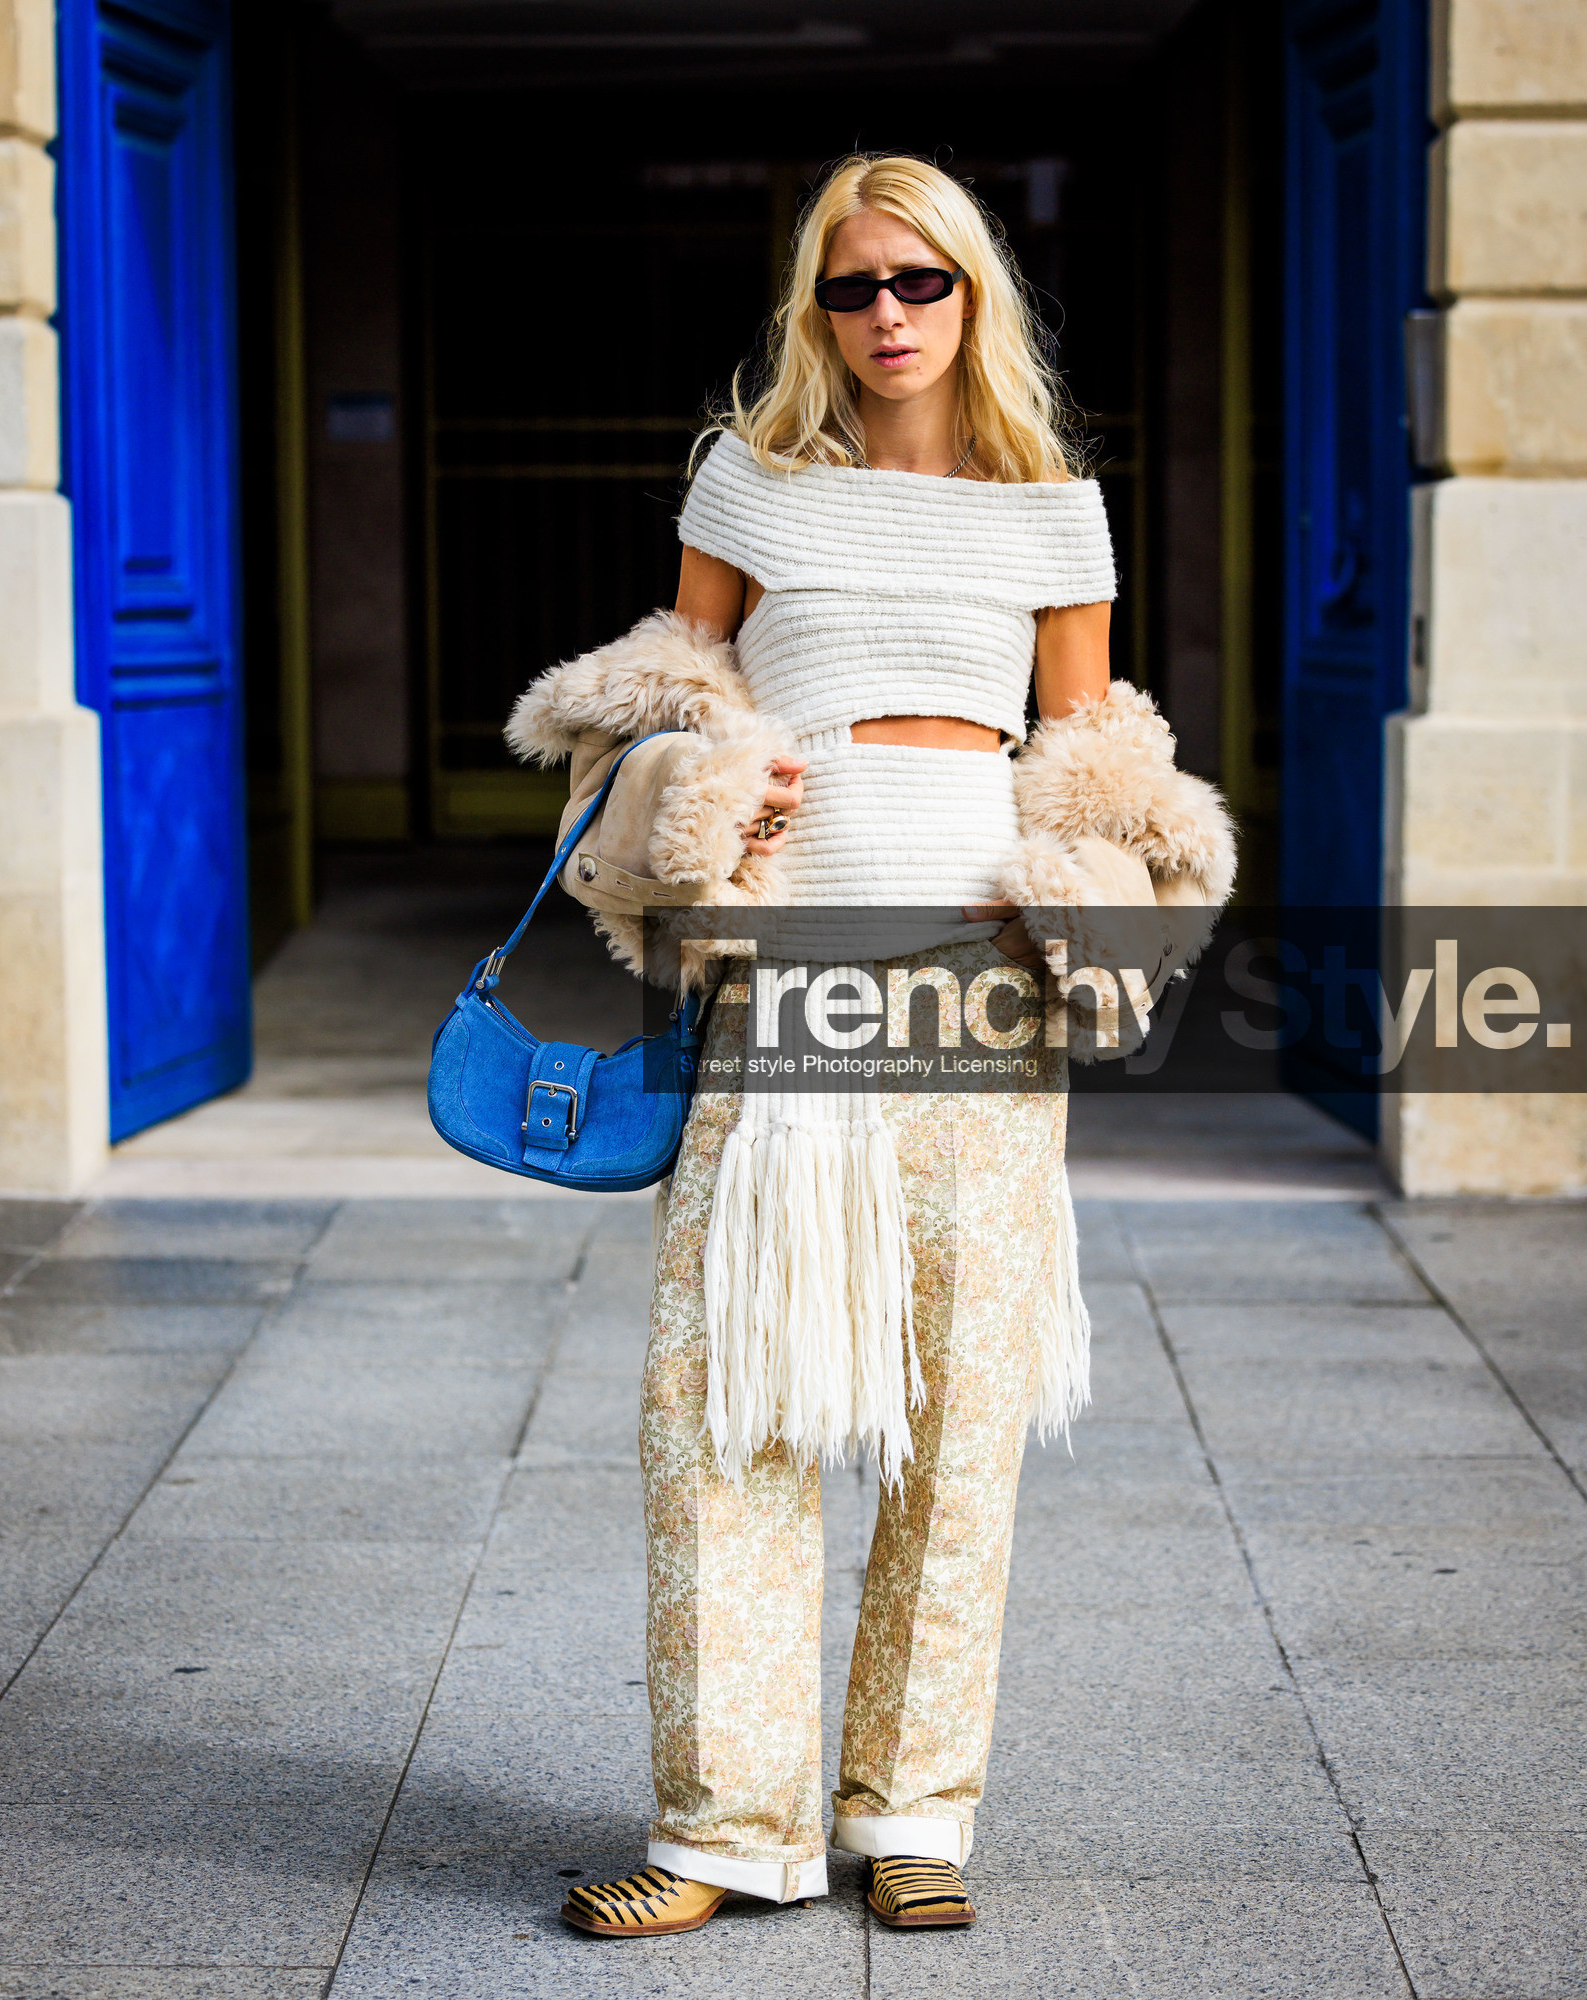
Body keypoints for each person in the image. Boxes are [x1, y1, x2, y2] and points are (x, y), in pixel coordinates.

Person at [506, 152, 1235, 1939]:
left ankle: (912, 1814)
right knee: (723, 1406)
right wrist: (697, 796)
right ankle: (716, 1832)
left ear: (974, 295)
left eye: (920, 282)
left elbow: (1096, 770)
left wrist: (1084, 894)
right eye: (853, 289)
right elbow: (657, 721)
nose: (888, 316)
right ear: (813, 310)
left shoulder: (1056, 514)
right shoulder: (751, 492)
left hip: (979, 995)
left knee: (956, 1416)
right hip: (787, 994)